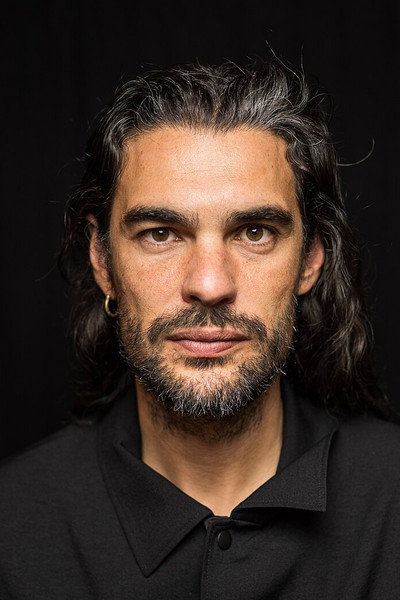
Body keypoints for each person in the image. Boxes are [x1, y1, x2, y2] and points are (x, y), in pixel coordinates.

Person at [0, 60, 399, 599]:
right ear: (102, 259)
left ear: (310, 259)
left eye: (254, 232)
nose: (209, 285)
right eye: (161, 234)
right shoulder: (12, 528)